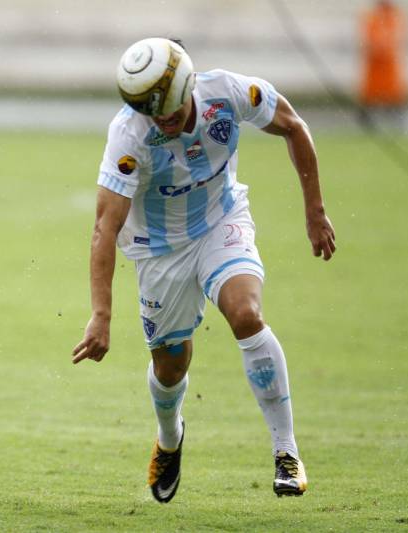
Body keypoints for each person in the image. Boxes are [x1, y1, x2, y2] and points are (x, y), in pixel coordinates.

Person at [71, 38, 336, 503]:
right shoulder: (129, 136)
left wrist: (315, 211)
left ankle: (286, 452)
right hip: (158, 251)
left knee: (246, 314)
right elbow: (104, 227)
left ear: (187, 85)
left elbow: (294, 126)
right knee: (171, 366)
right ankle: (169, 438)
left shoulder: (229, 93)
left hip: (221, 222)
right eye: (149, 110)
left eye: (168, 107)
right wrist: (101, 315)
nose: (161, 119)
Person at [360, 0, 408, 129]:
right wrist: (378, 45)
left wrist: (384, 45)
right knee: (371, 95)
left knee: (393, 95)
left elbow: (397, 38)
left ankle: (397, 123)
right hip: (375, 65)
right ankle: (367, 124)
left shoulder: (395, 17)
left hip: (388, 65)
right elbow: (369, 40)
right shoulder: (373, 17)